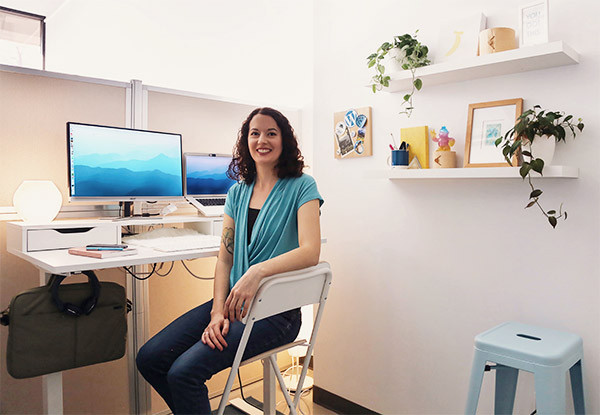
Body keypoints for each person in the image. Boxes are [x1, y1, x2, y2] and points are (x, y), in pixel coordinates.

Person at [136, 107, 323, 414]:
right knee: (150, 358)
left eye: (271, 133)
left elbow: (310, 251)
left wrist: (255, 273)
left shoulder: (302, 186)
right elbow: (225, 260)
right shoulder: (237, 192)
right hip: (234, 305)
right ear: (246, 142)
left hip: (277, 313)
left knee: (184, 374)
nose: (262, 140)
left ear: (284, 140)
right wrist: (216, 312)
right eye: (255, 133)